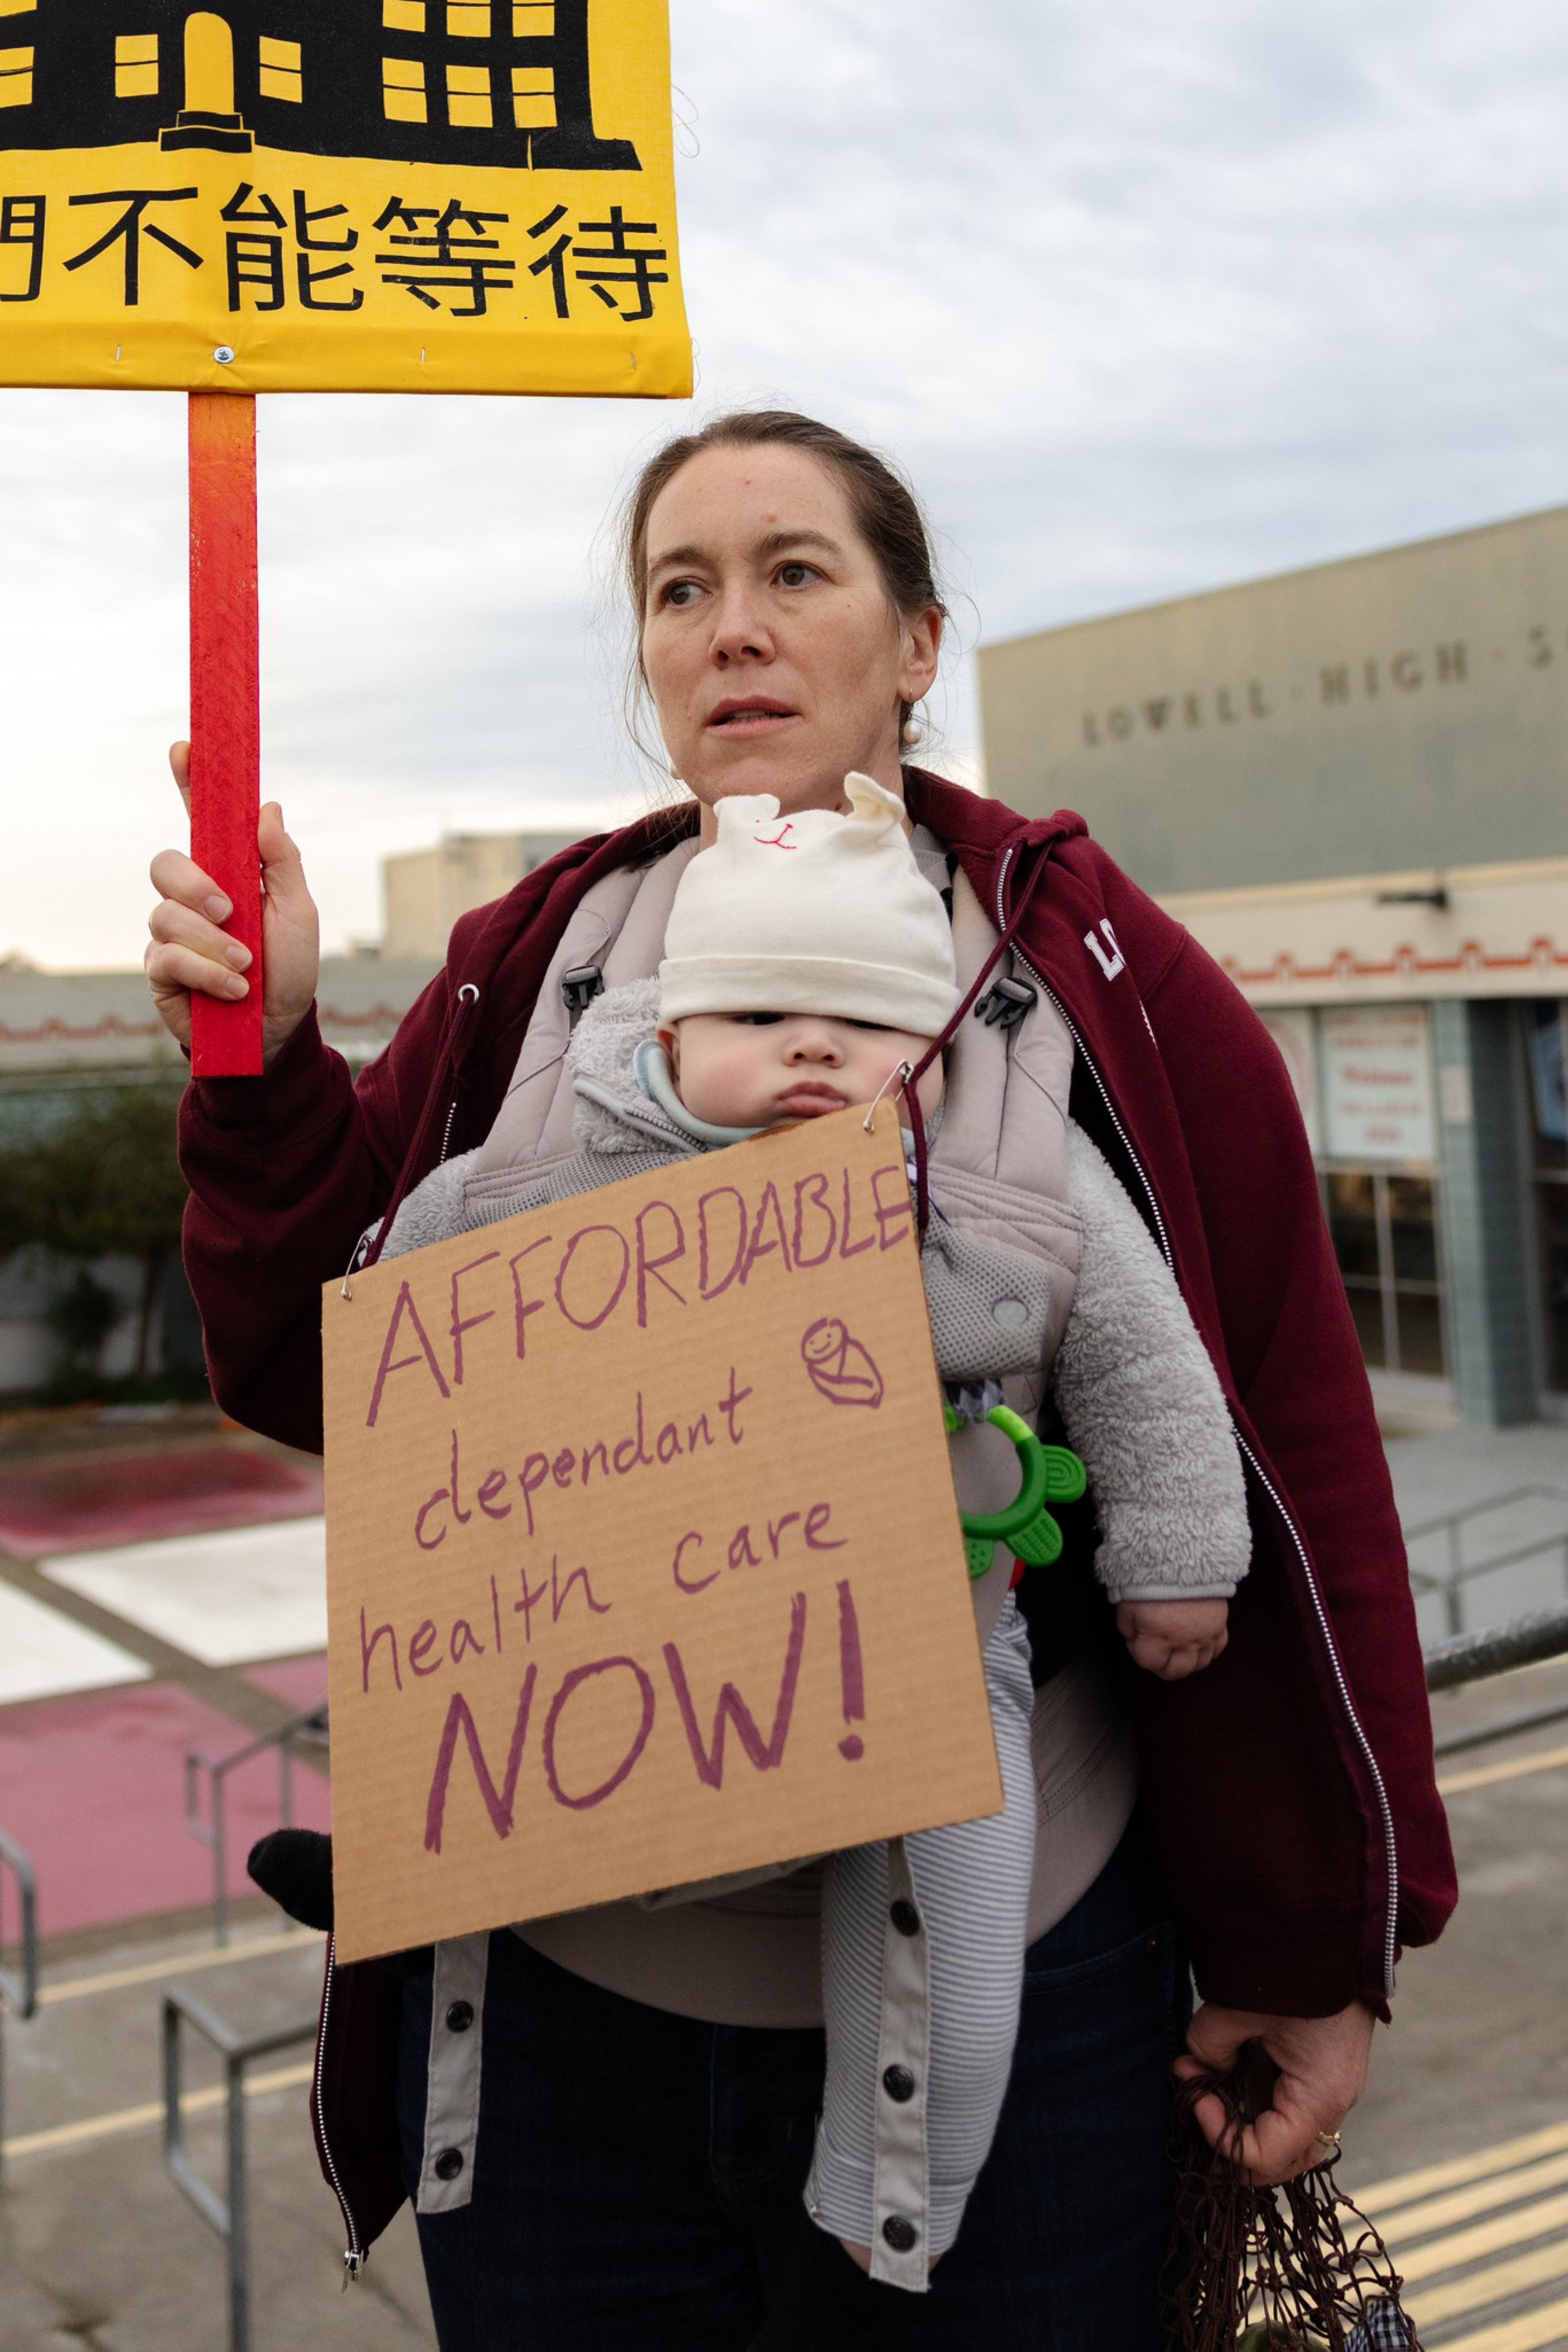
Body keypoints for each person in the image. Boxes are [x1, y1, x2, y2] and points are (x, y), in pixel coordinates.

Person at [147, 409, 1456, 2351]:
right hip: (556, 2029)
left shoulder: (1083, 964)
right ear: (649, 664)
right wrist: (261, 1068)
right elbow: (330, 1356)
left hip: (1019, 1978)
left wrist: (1305, 1942)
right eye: (681, 590)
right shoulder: (540, 962)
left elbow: (1279, 1430)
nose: (730, 627)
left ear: (917, 642)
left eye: (793, 574)